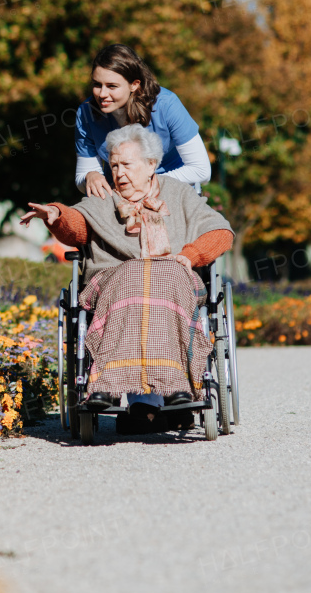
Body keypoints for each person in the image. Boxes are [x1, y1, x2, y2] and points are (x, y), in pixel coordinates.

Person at [22, 124, 234, 434]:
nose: (118, 173)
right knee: (137, 274)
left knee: (159, 275)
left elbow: (220, 230)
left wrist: (190, 255)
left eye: (127, 164)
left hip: (174, 275)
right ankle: (109, 385)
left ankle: (174, 386)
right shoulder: (103, 196)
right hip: (113, 280)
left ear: (151, 165)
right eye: (114, 165)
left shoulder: (179, 194)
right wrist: (56, 213)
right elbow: (77, 224)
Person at [75, 43, 211, 199]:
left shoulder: (166, 105)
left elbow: (201, 171)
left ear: (134, 84)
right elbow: (82, 179)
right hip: (122, 198)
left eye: (112, 86)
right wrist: (90, 177)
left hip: (175, 195)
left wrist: (146, 185)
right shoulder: (86, 113)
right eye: (97, 85)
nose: (102, 94)